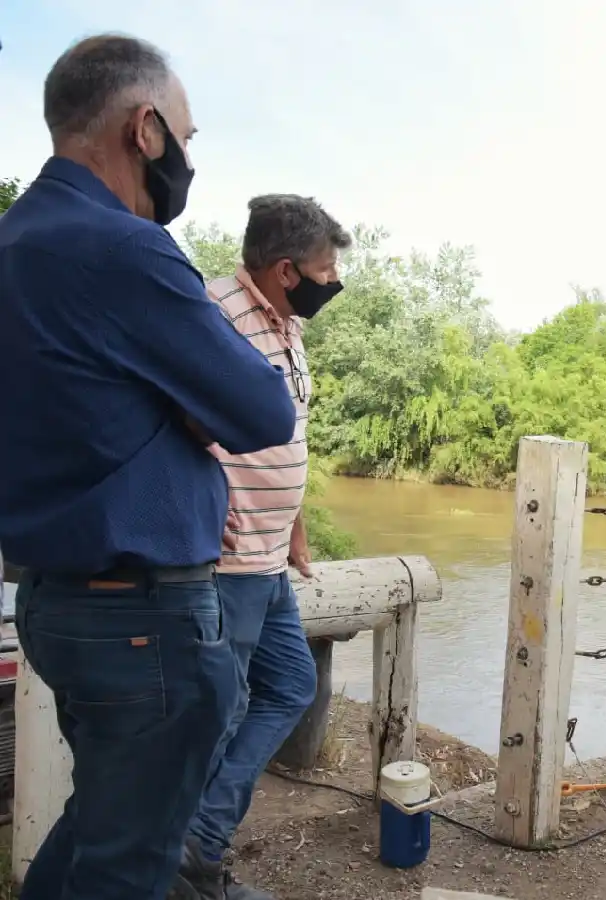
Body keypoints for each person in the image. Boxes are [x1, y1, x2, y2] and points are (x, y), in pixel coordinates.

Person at [0, 35, 296, 900]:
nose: (188, 159)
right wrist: (187, 406)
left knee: (102, 827)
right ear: (146, 129)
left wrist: (165, 404)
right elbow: (262, 410)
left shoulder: (17, 242)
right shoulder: (122, 248)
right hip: (141, 620)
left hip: (56, 601)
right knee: (130, 866)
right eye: (187, 137)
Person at [174, 195, 351, 899]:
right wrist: (195, 503)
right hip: (228, 562)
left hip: (270, 554)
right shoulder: (213, 312)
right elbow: (164, 417)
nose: (332, 281)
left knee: (290, 686)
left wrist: (296, 518)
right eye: (325, 268)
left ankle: (196, 844)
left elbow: (288, 430)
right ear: (286, 270)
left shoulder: (287, 324)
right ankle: (191, 861)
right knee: (217, 717)